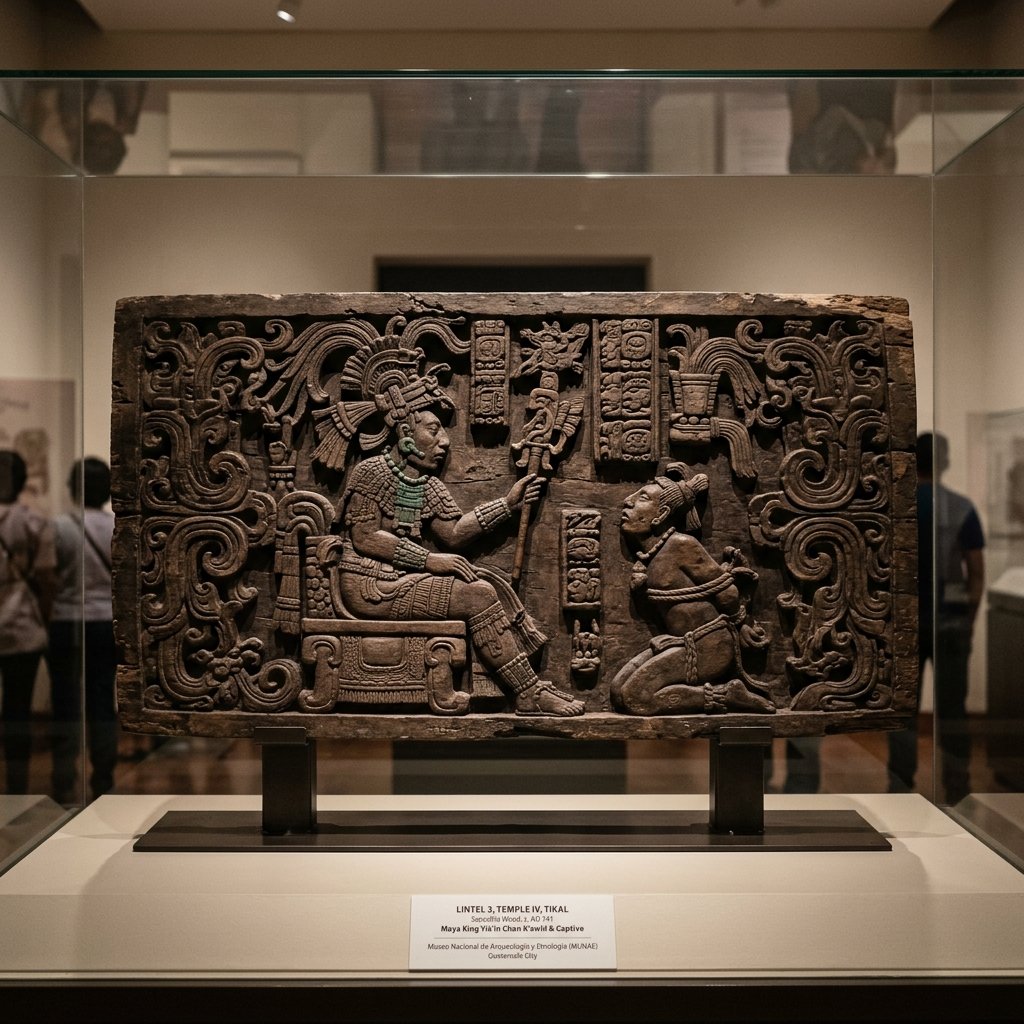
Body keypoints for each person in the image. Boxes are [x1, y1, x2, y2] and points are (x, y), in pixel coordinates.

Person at [330, 404, 584, 717]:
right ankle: (528, 692)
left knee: (485, 581)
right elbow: (365, 537)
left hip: (399, 580)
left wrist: (507, 505)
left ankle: (524, 686)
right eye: (434, 430)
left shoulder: (426, 485)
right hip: (370, 585)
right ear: (406, 432)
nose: (445, 441)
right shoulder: (372, 472)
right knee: (478, 596)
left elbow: (453, 533)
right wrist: (430, 560)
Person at [610, 462, 775, 716]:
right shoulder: (651, 556)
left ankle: (727, 694)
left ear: (661, 514)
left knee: (636, 697)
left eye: (642, 498)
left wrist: (741, 624)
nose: (627, 501)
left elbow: (727, 592)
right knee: (617, 691)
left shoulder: (682, 545)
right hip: (680, 642)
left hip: (708, 645)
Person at [889, 432, 985, 804]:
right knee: (953, 709)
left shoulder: (899, 504)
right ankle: (957, 786)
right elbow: (975, 570)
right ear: (944, 462)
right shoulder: (960, 507)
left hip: (905, 625)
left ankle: (900, 786)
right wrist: (969, 618)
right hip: (950, 621)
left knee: (903, 710)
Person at [48, 458, 118, 804]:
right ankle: (103, 776)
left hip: (66, 619)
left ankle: (64, 776)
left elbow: (50, 576)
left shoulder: (60, 526)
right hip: (106, 620)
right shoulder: (115, 526)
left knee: (65, 701)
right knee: (103, 699)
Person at [0, 450, 57, 794]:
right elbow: (47, 579)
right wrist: (47, 619)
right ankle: (16, 787)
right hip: (21, 625)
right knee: (18, 711)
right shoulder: (33, 522)